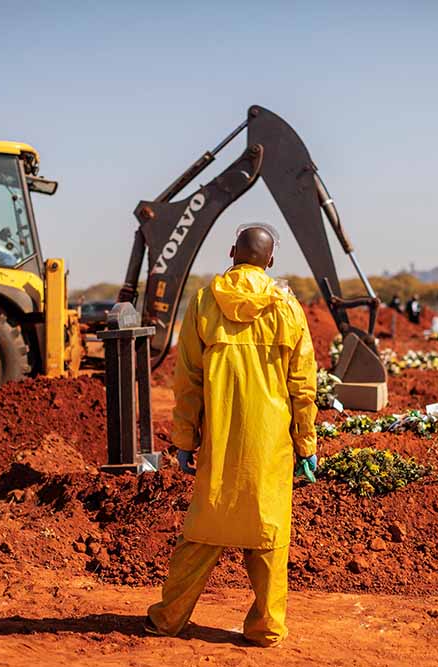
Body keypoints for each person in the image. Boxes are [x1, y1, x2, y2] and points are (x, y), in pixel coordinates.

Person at [145, 225, 318, 647]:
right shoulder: (287, 309)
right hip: (269, 443)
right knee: (268, 534)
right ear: (271, 261)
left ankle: (168, 619)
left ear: (231, 252)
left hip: (219, 441)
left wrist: (184, 439)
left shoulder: (205, 303)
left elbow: (186, 381)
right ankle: (266, 627)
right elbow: (303, 385)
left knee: (204, 530)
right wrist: (306, 444)